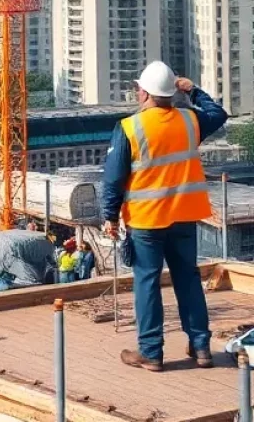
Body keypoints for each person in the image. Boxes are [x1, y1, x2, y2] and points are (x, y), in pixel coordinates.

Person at [102, 61, 228, 372]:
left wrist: (109, 215)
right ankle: (201, 348)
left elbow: (113, 178)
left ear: (142, 93)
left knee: (147, 283)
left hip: (146, 220)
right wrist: (194, 90)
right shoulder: (189, 121)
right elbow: (218, 114)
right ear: (173, 92)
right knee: (188, 280)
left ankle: (152, 353)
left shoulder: (130, 127)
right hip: (184, 216)